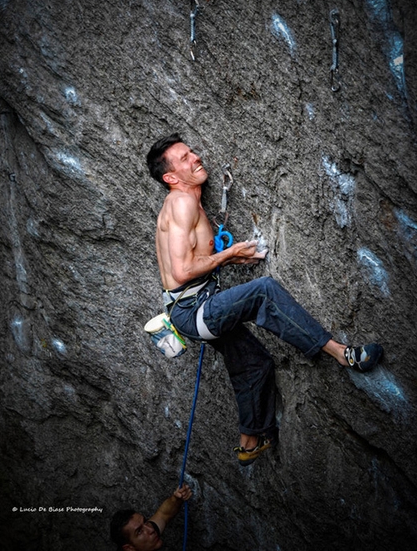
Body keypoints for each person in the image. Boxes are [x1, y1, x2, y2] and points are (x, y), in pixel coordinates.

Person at [146, 133, 383, 466]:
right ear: (170, 177)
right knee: (264, 291)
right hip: (194, 309)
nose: (195, 158)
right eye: (184, 158)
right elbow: (183, 271)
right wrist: (228, 252)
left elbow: (188, 263)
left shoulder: (185, 202)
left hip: (193, 306)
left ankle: (249, 442)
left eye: (191, 152)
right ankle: (342, 354)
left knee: (254, 365)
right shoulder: (181, 203)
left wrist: (230, 258)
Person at [110, 484, 192, 551]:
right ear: (129, 548)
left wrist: (177, 498)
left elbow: (163, 514)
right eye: (139, 531)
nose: (151, 529)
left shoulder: (148, 530)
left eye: (145, 522)